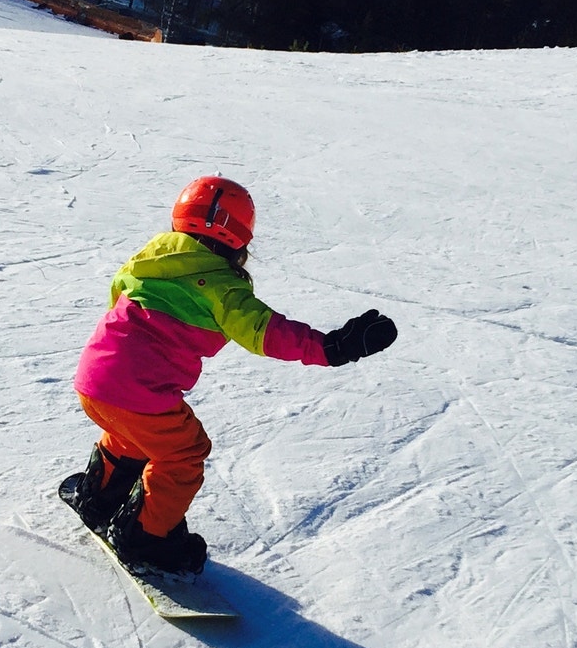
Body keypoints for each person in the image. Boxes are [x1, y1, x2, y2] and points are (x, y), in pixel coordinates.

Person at [60, 176, 397, 576]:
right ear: (240, 239)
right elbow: (267, 332)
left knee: (133, 433)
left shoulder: (149, 258)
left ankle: (100, 494)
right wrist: (331, 347)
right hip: (143, 391)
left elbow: (117, 294)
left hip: (93, 378)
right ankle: (145, 539)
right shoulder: (222, 288)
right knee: (184, 452)